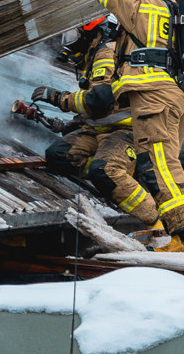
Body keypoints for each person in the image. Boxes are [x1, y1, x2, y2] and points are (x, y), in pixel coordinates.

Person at [78, 0, 184, 251]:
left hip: (154, 97)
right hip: (177, 95)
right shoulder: (172, 8)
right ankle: (181, 231)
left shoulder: (140, 4)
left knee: (159, 165)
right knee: (165, 163)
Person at [32, 17, 162, 230]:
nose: (68, 42)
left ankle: (156, 221)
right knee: (57, 155)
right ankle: (113, 175)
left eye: (72, 36)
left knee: (104, 170)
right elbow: (100, 108)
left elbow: (99, 99)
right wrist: (70, 125)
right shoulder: (91, 55)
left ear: (92, 32)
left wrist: (58, 98)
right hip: (99, 129)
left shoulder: (106, 53)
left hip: (127, 130)